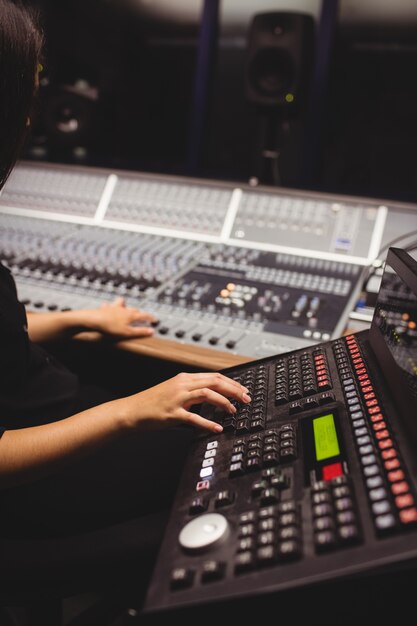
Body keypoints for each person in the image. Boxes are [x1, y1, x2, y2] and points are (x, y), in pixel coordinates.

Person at [0, 0, 251, 607]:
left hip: (52, 422)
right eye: (27, 95)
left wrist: (77, 319)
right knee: (241, 456)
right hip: (37, 484)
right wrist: (134, 409)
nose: (34, 116)